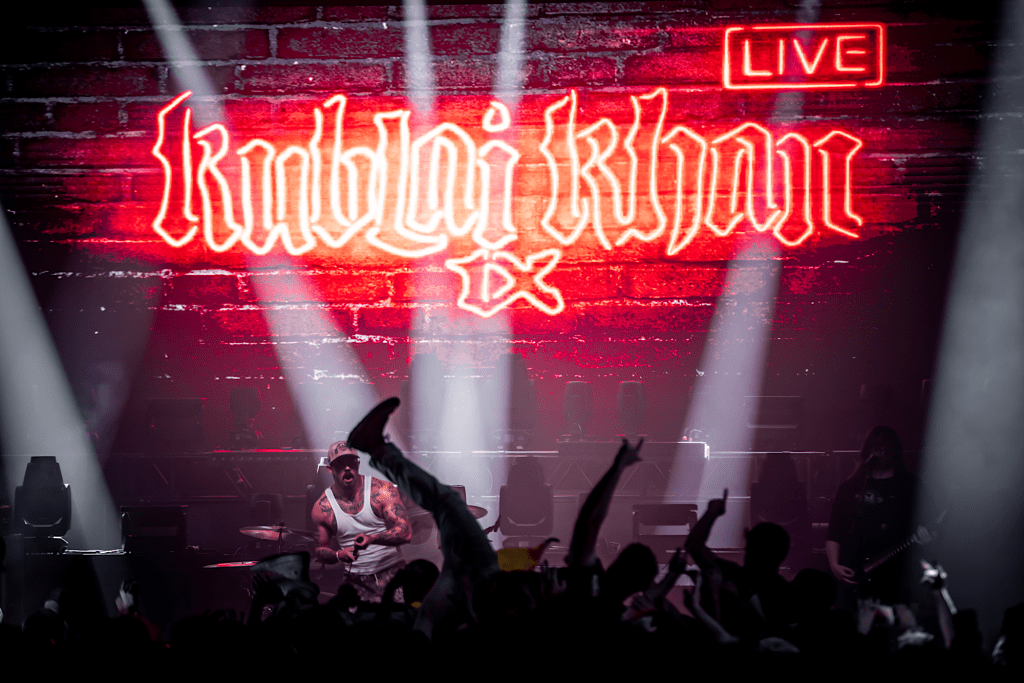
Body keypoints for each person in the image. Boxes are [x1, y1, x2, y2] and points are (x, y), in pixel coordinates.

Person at [826, 425, 935, 609]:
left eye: (885, 447)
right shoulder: (851, 487)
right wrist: (834, 565)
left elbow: (931, 526)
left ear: (895, 451)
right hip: (853, 572)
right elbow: (834, 532)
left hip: (893, 575)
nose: (880, 452)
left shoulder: (910, 486)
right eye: (876, 447)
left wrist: (927, 538)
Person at [311, 441, 412, 602]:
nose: (347, 468)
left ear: (358, 464)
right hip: (356, 579)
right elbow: (320, 550)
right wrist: (338, 555)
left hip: (392, 572)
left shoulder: (382, 491)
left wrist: (373, 538)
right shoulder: (323, 508)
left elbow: (405, 531)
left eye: (351, 462)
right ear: (330, 469)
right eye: (340, 464)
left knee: (400, 618)